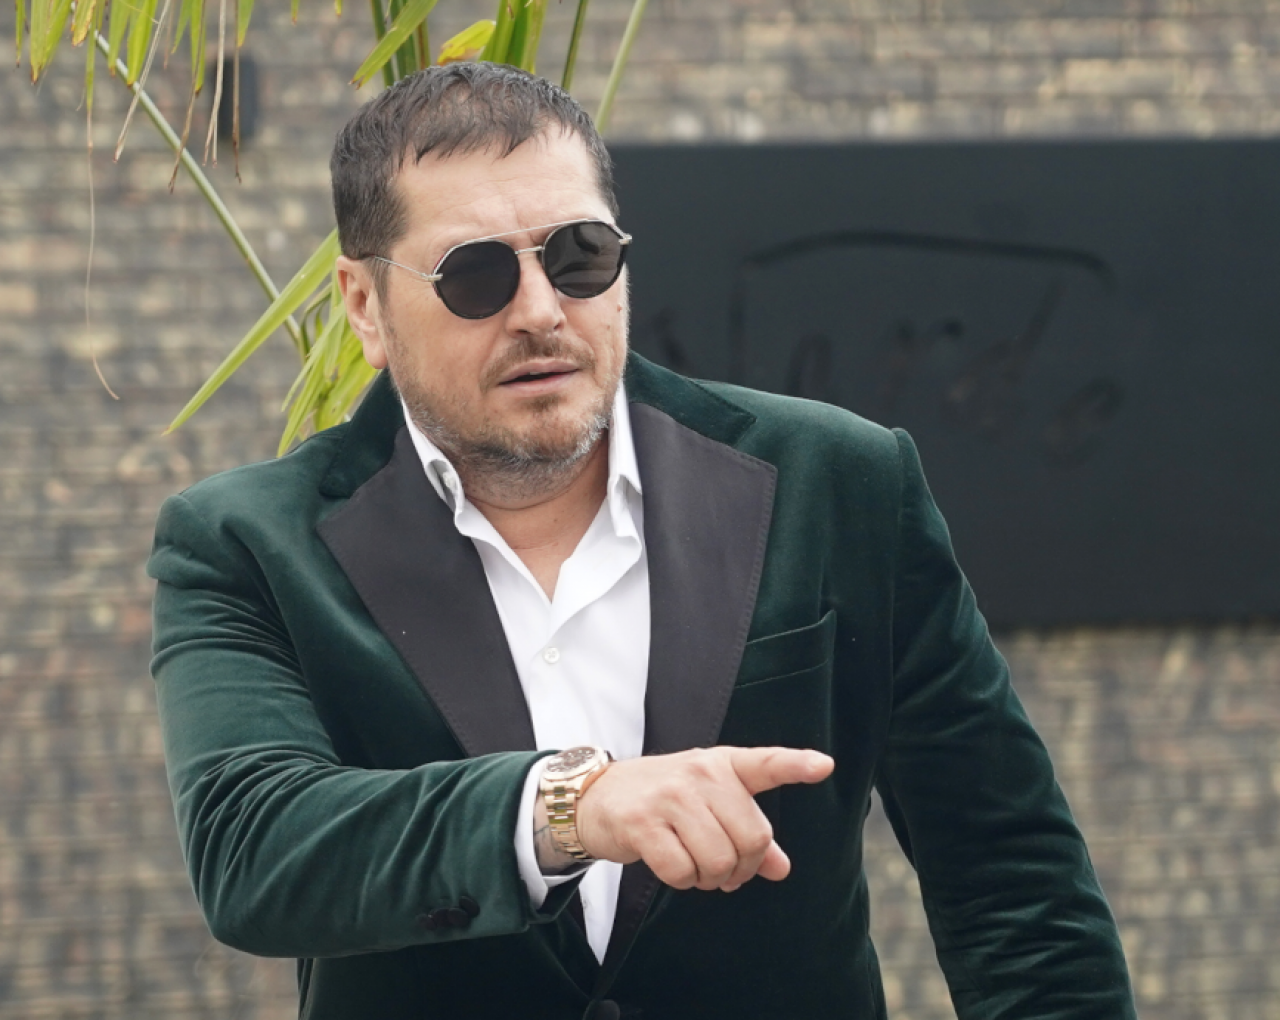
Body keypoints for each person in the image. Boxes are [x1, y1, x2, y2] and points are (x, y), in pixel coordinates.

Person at [147, 63, 1136, 1020]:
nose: (541, 311)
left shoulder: (842, 484)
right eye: (475, 274)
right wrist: (573, 807)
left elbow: (1011, 877)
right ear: (365, 305)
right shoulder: (244, 542)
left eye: (578, 255)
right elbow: (256, 849)